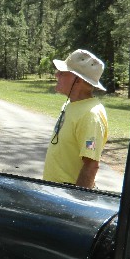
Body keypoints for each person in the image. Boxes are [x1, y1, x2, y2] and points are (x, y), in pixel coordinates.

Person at [43, 49, 109, 188]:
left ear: (77, 80)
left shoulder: (91, 115)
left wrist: (77, 200)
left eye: (62, 72)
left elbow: (91, 165)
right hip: (54, 192)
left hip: (66, 198)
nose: (56, 75)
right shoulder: (71, 103)